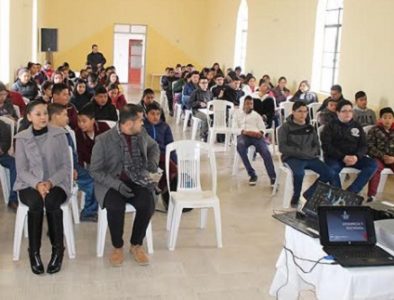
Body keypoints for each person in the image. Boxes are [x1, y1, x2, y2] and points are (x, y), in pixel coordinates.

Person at [90, 104, 159, 267]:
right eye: (140, 120)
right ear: (129, 124)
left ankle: (136, 244)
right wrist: (117, 185)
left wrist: (152, 164)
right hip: (111, 182)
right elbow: (95, 171)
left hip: (136, 178)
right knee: (115, 206)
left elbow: (154, 146)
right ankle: (117, 246)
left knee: (147, 202)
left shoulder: (141, 133)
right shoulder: (103, 140)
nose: (143, 123)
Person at [14, 101, 71, 275]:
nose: (43, 117)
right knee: (36, 204)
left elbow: (65, 166)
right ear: (29, 117)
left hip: (57, 182)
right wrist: (37, 184)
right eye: (38, 114)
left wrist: (50, 182)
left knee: (53, 203)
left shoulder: (59, 134)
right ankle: (34, 252)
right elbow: (21, 170)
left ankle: (57, 251)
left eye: (45, 113)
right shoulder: (22, 138)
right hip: (29, 183)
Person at [48, 103, 99, 222]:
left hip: (72, 167)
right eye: (65, 115)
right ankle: (88, 213)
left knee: (95, 179)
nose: (68, 118)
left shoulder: (66, 131)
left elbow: (73, 155)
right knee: (91, 182)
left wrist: (74, 167)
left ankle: (89, 211)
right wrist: (68, 170)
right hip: (56, 170)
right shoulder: (47, 133)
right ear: (55, 116)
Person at [278, 102, 335, 207]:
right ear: (293, 112)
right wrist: (301, 154)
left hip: (310, 158)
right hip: (292, 158)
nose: (303, 114)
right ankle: (296, 196)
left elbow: (316, 145)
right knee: (299, 174)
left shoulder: (310, 127)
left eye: (305, 111)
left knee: (329, 173)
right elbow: (283, 147)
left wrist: (310, 153)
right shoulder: (285, 128)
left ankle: (309, 193)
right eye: (299, 111)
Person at [321, 99, 377, 194]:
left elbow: (364, 145)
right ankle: (338, 195)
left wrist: (356, 156)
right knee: (332, 170)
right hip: (335, 157)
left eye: (350, 111)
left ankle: (351, 193)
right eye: (344, 111)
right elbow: (327, 146)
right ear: (338, 112)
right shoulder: (329, 126)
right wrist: (343, 157)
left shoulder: (357, 126)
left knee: (372, 165)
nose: (348, 113)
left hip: (354, 157)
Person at [233, 96, 276, 186]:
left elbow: (262, 128)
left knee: (266, 152)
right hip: (243, 135)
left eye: (251, 104)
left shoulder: (256, 116)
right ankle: (252, 174)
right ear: (243, 104)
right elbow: (234, 128)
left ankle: (273, 177)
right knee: (240, 146)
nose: (249, 105)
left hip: (256, 136)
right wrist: (245, 132)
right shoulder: (237, 114)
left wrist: (260, 133)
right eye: (247, 103)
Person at [143, 102, 177, 209]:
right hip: (147, 156)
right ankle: (155, 190)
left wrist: (175, 161)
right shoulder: (142, 126)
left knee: (173, 170)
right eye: (152, 114)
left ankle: (159, 190)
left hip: (162, 155)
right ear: (146, 114)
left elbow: (170, 145)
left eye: (158, 114)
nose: (155, 117)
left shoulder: (165, 127)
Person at [367, 107, 394, 202]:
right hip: (378, 157)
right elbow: (369, 146)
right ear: (380, 119)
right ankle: (372, 196)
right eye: (385, 117)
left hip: (392, 158)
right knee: (375, 167)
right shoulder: (374, 130)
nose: (388, 120)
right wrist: (383, 156)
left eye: (390, 117)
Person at [0, 119, 18, 210]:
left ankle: (13, 199)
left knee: (14, 164)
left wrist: (1, 149)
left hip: (1, 156)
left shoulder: (1, 124)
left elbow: (5, 143)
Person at [190, 77, 213, 142]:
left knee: (216, 116)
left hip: (207, 110)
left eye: (206, 83)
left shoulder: (209, 92)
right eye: (203, 83)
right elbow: (190, 103)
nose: (204, 84)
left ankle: (217, 136)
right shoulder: (195, 92)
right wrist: (199, 103)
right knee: (206, 118)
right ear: (199, 84)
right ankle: (203, 136)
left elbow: (211, 102)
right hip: (197, 111)